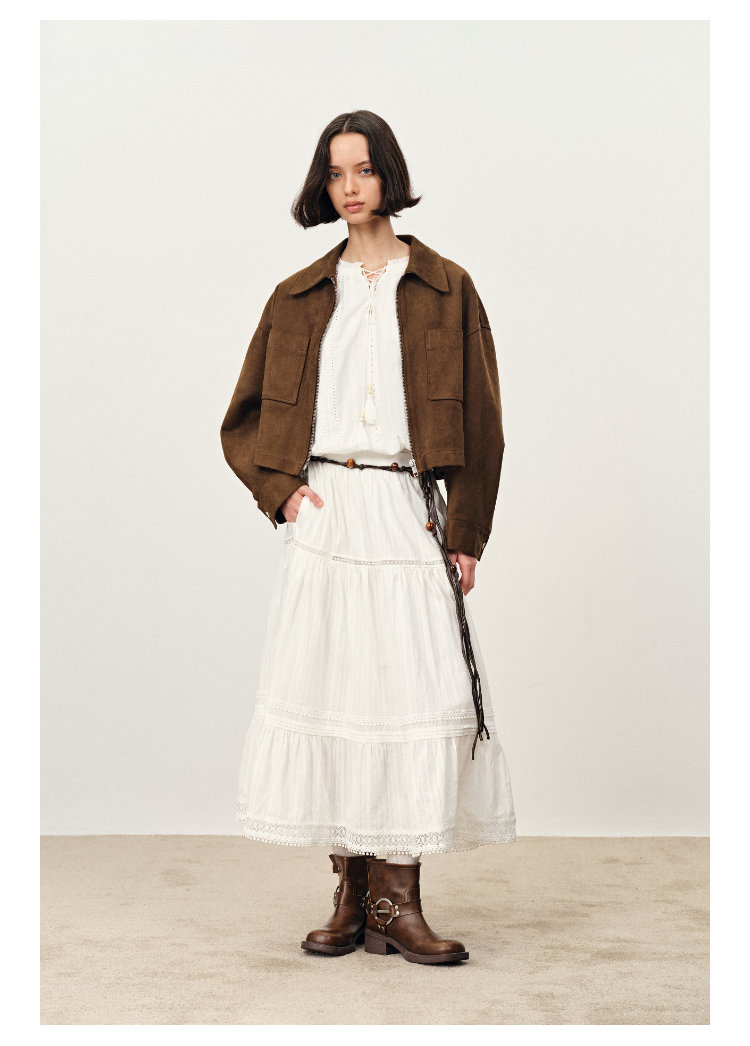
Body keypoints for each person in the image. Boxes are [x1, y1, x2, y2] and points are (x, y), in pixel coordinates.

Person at [220, 110, 516, 965]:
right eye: (335, 173)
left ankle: (398, 899)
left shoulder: (447, 288)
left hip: (407, 508)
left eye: (364, 170)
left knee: (410, 693)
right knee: (337, 690)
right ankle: (352, 898)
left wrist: (467, 533)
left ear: (390, 175)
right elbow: (242, 417)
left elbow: (485, 424)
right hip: (329, 510)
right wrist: (283, 495)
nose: (350, 188)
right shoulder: (299, 295)